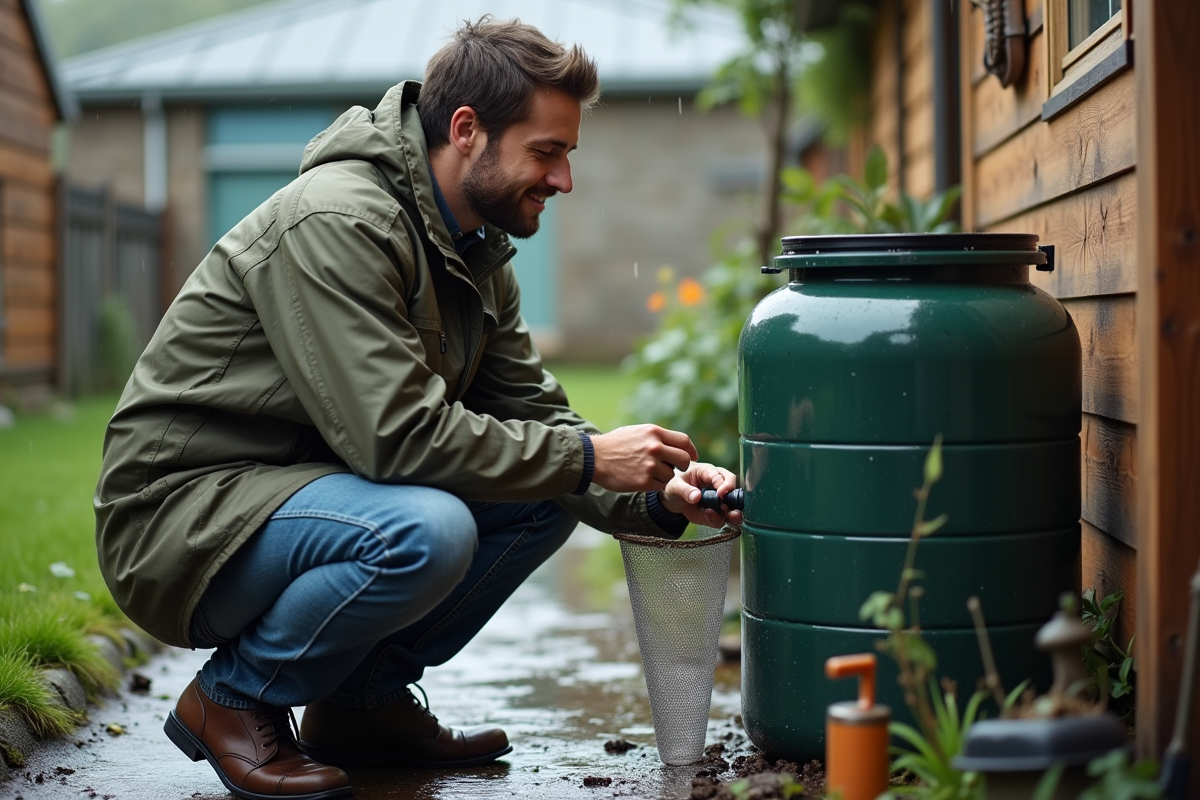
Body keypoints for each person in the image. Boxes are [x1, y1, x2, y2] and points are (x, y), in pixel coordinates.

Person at [94, 16, 741, 800]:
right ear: (467, 130)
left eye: (567, 153)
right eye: (548, 151)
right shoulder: (339, 219)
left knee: (544, 497)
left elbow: (537, 418)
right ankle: (233, 697)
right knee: (427, 532)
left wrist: (652, 493)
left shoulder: (475, 248)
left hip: (295, 495)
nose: (564, 180)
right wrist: (586, 457)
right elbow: (394, 440)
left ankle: (359, 705)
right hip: (183, 518)